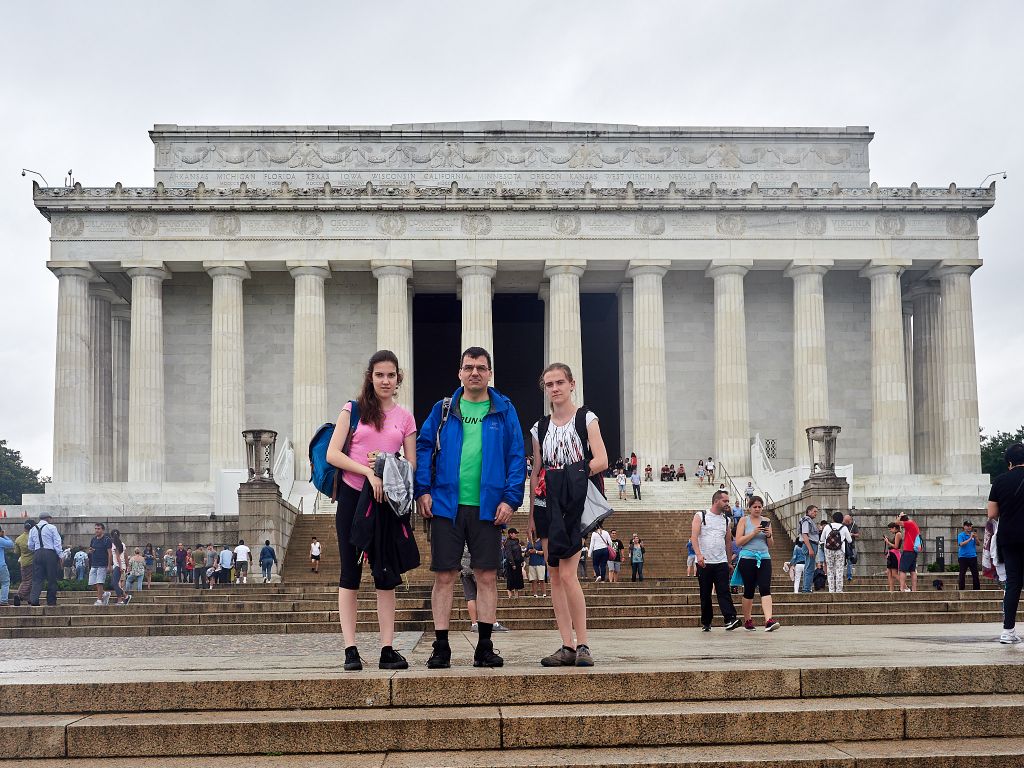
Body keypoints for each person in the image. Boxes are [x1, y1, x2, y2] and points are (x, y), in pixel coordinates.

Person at [416, 346, 524, 670]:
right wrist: (422, 490)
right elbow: (424, 447)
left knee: (487, 575)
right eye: (468, 367)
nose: (474, 372)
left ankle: (485, 646)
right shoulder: (444, 409)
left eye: (481, 367)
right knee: (445, 575)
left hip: (489, 507)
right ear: (459, 373)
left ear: (489, 373)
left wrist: (511, 498)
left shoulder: (504, 410)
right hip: (447, 505)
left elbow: (516, 456)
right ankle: (441, 647)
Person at [326, 350, 418, 671]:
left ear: (398, 378)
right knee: (350, 574)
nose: (385, 380)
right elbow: (333, 454)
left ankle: (387, 648)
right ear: (370, 376)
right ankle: (350, 649)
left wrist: (385, 463)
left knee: (386, 576)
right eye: (379, 374)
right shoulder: (353, 410)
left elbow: (412, 466)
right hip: (354, 498)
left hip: (388, 504)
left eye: (391, 375)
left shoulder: (405, 418)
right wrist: (368, 471)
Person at [526, 361, 608, 668]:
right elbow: (536, 471)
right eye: (549, 384)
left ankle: (583, 642)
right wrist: (532, 514)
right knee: (555, 576)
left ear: (572, 384)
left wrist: (575, 474)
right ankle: (566, 644)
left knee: (570, 574)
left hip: (573, 498)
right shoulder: (540, 427)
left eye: (560, 382)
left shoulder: (586, 418)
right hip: (548, 502)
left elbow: (601, 459)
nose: (555, 388)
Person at [988, 443, 1024, 643]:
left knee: (1013, 583)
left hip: (1009, 537)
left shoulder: (1000, 481)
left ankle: (1008, 631)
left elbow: (992, 514)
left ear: (1009, 462)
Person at [691, 490, 741, 631]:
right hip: (705, 562)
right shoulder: (701, 516)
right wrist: (699, 554)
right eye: (725, 501)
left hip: (721, 562)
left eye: (727, 501)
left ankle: (730, 619)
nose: (727, 504)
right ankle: (706, 622)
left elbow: (728, 543)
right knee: (705, 593)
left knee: (724, 591)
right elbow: (694, 537)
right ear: (716, 501)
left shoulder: (726, 520)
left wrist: (729, 562)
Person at [734, 496, 777, 631]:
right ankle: (747, 619)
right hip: (747, 558)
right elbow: (738, 542)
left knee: (765, 587)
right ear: (749, 508)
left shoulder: (767, 521)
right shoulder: (743, 520)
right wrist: (753, 532)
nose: (757, 509)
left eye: (759, 507)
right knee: (749, 589)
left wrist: (769, 535)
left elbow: (770, 544)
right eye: (755, 507)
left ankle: (768, 620)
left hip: (764, 557)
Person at [819, 512, 853, 593]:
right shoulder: (844, 527)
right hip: (840, 551)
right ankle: (839, 590)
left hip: (828, 551)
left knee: (830, 570)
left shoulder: (827, 526)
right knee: (839, 570)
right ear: (842, 519)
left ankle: (831, 590)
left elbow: (822, 539)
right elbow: (850, 540)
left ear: (833, 519)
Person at [88, 523, 113, 606]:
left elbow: (110, 553)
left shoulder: (106, 540)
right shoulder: (93, 539)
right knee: (93, 582)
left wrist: (109, 565)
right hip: (94, 563)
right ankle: (104, 593)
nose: (97, 530)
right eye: (95, 528)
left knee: (99, 582)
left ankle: (99, 600)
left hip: (103, 564)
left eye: (98, 529)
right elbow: (91, 549)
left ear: (103, 530)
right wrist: (91, 551)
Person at [12, 521, 34, 606]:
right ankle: (19, 595)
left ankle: (29, 598)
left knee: (25, 580)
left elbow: (16, 552)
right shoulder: (32, 537)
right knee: (29, 581)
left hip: (23, 562)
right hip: (32, 561)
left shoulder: (18, 539)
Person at [798, 506, 819, 593]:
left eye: (816, 512)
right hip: (810, 544)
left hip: (811, 544)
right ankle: (806, 588)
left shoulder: (807, 520)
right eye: (814, 511)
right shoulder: (806, 520)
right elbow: (805, 535)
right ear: (809, 511)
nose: (816, 513)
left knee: (809, 566)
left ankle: (806, 588)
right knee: (809, 567)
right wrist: (810, 549)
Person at [898, 513, 920, 592]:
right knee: (912, 571)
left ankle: (902, 588)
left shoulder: (908, 523)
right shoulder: (913, 524)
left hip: (908, 550)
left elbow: (896, 522)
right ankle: (914, 589)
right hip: (914, 551)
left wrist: (899, 516)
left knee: (902, 570)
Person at [109, 530, 131, 605]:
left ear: (111, 536)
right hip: (121, 565)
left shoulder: (114, 545)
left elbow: (117, 556)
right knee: (115, 583)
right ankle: (125, 596)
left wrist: (120, 566)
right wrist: (127, 565)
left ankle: (122, 599)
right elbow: (125, 555)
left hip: (118, 566)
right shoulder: (122, 544)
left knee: (114, 583)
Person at [957, 520, 980, 590]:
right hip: (963, 557)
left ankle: (976, 589)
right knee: (962, 574)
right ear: (964, 527)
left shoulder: (973, 535)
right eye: (967, 526)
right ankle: (961, 588)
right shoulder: (961, 535)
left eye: (970, 526)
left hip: (973, 556)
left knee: (975, 574)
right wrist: (970, 538)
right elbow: (961, 544)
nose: (969, 527)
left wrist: (975, 537)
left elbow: (978, 544)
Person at [503, 528, 525, 598]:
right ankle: (510, 594)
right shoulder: (508, 542)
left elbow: (519, 552)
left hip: (518, 562)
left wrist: (521, 560)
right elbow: (509, 554)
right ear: (511, 534)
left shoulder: (516, 541)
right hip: (512, 563)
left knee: (517, 579)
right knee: (511, 578)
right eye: (514, 533)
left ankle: (516, 594)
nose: (516, 534)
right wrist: (512, 563)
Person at [883, 522, 903, 593]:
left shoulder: (898, 534)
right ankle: (891, 589)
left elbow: (896, 546)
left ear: (894, 528)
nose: (890, 531)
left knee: (894, 573)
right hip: (891, 554)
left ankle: (905, 586)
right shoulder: (896, 534)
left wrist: (888, 542)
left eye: (890, 529)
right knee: (889, 572)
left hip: (895, 555)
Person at [843, 513, 860, 581]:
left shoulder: (854, 525)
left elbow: (858, 535)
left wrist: (852, 534)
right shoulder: (842, 525)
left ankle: (849, 575)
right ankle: (841, 575)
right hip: (843, 545)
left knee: (850, 561)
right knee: (842, 561)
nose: (847, 522)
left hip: (851, 545)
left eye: (848, 521)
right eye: (845, 521)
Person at [0, 527, 13, 606]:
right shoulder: (0, 540)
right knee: (5, 582)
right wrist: (4, 535)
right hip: (1, 565)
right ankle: (4, 600)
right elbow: (11, 544)